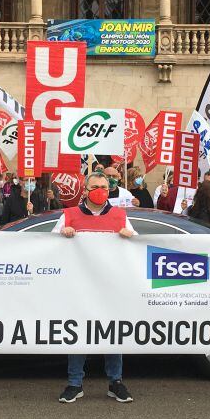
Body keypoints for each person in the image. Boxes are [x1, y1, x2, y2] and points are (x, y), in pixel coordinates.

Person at [53, 173, 136, 404]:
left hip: (111, 287)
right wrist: (62, 234)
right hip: (79, 287)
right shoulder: (68, 215)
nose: (100, 190)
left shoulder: (120, 215)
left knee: (112, 333)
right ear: (85, 190)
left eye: (104, 186)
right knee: (78, 333)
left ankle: (115, 382)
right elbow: (49, 247)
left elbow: (137, 247)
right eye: (95, 187)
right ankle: (75, 383)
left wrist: (130, 237)